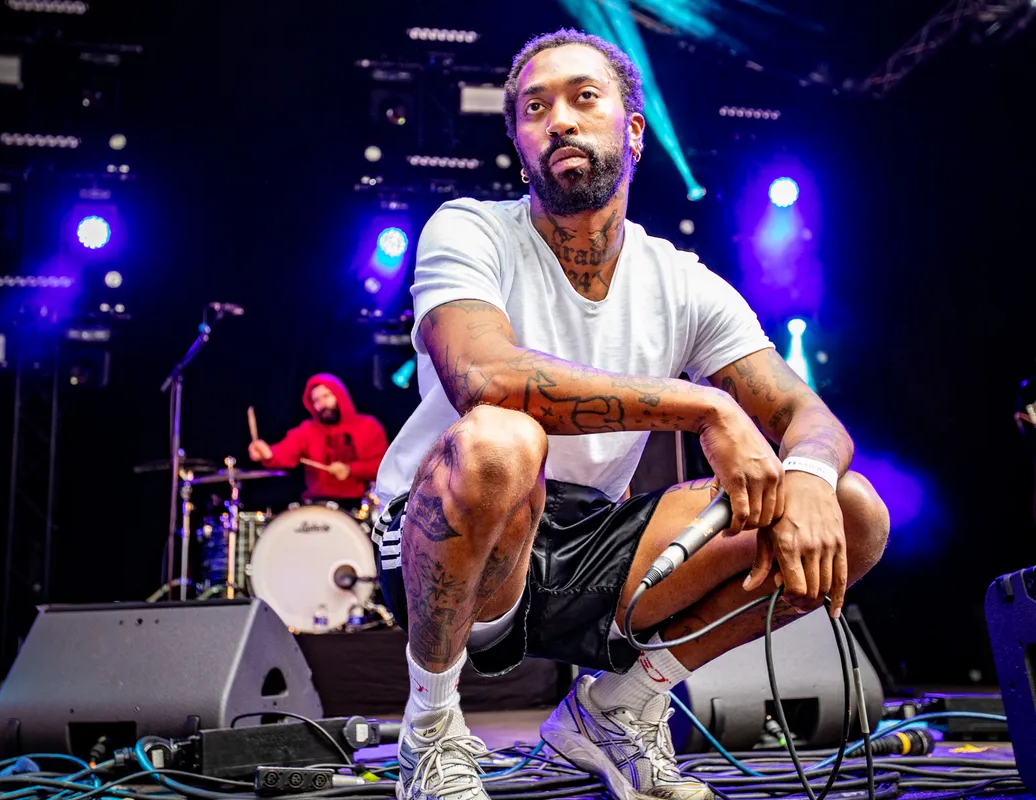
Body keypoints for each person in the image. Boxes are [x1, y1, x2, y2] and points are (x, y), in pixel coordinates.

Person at [371, 28, 890, 800]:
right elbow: (483, 379)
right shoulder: (470, 228)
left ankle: (618, 707)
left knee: (853, 511)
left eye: (584, 98)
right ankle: (431, 728)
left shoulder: (680, 281)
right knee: (502, 440)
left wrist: (810, 475)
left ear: (634, 131)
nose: (560, 120)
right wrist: (707, 406)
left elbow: (804, 412)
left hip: (591, 540)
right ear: (519, 142)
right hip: (457, 529)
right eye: (535, 108)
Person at [248, 373, 388, 511]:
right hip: (317, 506)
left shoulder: (368, 426)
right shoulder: (308, 429)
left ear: (340, 395)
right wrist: (268, 454)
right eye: (316, 400)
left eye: (326, 396)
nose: (322, 404)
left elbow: (382, 466)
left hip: (358, 506)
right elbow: (286, 450)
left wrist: (350, 469)